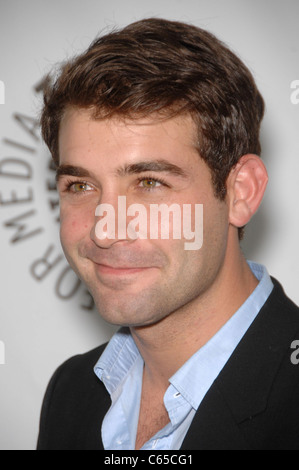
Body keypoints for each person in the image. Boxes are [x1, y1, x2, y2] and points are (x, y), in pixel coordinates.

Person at [36, 18, 299, 450]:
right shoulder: (70, 391)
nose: (105, 229)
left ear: (241, 193)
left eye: (149, 183)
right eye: (80, 186)